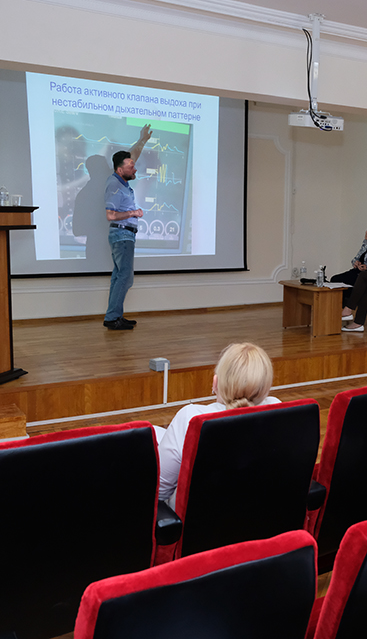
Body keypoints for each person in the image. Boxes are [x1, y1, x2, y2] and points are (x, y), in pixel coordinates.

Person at [157, 342, 280, 508]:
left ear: (215, 383)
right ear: (266, 388)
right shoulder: (279, 410)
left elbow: (160, 491)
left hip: (196, 520)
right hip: (263, 513)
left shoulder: (191, 417)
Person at [103, 124, 153, 330]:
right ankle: (112, 318)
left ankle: (115, 316)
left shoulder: (120, 181)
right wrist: (133, 213)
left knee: (119, 277)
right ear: (119, 169)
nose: (135, 168)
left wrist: (142, 140)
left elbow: (133, 155)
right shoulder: (114, 185)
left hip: (124, 236)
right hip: (122, 235)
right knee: (125, 278)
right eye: (131, 166)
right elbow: (110, 215)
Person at [330, 220, 367, 302]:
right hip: (358, 271)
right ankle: (342, 305)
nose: (366, 232)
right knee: (334, 279)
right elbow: (357, 257)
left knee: (343, 282)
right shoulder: (366, 242)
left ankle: (347, 305)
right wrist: (356, 262)